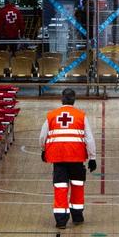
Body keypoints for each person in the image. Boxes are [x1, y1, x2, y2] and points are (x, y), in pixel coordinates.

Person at [38, 87, 98, 229]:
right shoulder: (81, 115)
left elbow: (42, 136)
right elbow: (89, 138)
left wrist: (43, 149)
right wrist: (92, 157)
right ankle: (77, 217)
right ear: (74, 99)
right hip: (77, 157)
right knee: (77, 186)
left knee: (60, 187)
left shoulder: (52, 115)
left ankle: (61, 220)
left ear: (62, 99)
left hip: (58, 158)